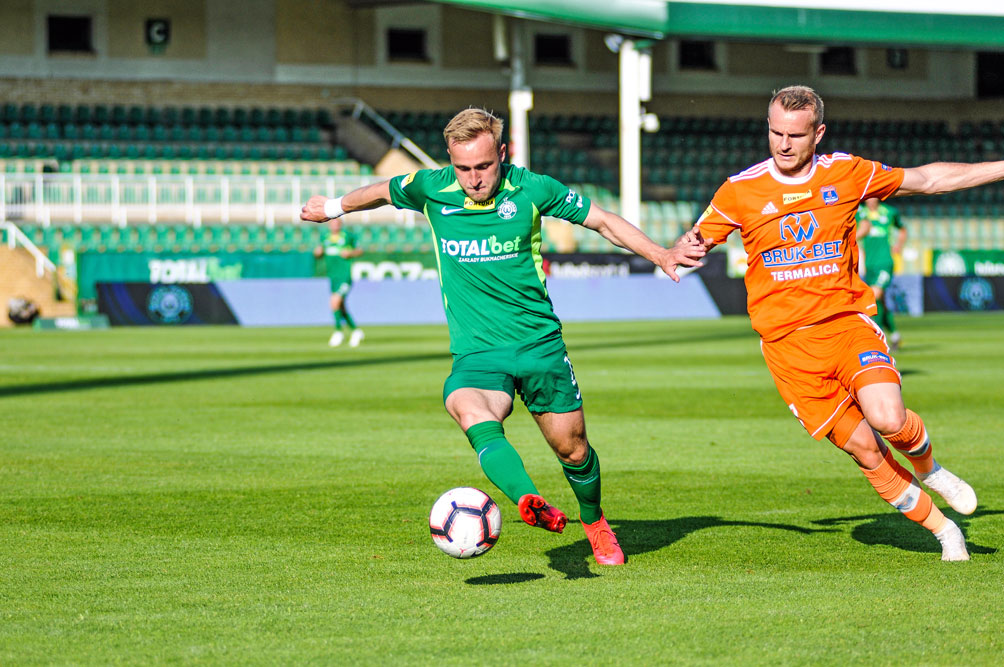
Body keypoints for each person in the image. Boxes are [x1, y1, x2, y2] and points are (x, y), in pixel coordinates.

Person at [302, 108, 705, 565]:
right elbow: (380, 192)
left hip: (539, 347)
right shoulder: (430, 188)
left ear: (503, 154)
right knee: (464, 405)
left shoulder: (533, 189)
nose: (474, 179)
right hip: (478, 353)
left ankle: (594, 521)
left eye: (483, 166)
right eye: (463, 168)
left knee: (573, 450)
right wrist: (333, 208)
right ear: (450, 161)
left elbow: (603, 221)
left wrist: (660, 254)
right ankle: (528, 499)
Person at [682, 85, 1000, 561]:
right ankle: (945, 531)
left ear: (818, 134)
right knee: (867, 451)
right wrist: (679, 250)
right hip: (788, 349)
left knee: (888, 419)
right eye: (775, 132)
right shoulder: (739, 191)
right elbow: (694, 241)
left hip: (845, 325)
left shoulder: (847, 172)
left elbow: (929, 180)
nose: (783, 144)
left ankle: (930, 468)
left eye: (795, 135)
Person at [856, 197, 907, 349]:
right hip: (869, 264)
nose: (870, 200)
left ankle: (876, 339)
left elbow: (902, 229)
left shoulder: (890, 212)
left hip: (885, 262)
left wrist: (898, 245)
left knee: (874, 295)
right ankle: (895, 335)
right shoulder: (860, 213)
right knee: (880, 303)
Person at [314, 217, 364, 347]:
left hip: (345, 275)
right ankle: (355, 331)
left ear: (341, 224)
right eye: (332, 223)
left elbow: (360, 250)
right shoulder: (325, 238)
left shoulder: (348, 236)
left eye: (337, 223)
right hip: (333, 276)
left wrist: (351, 253)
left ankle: (338, 331)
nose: (335, 225)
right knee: (340, 306)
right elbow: (318, 252)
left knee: (334, 302)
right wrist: (318, 253)